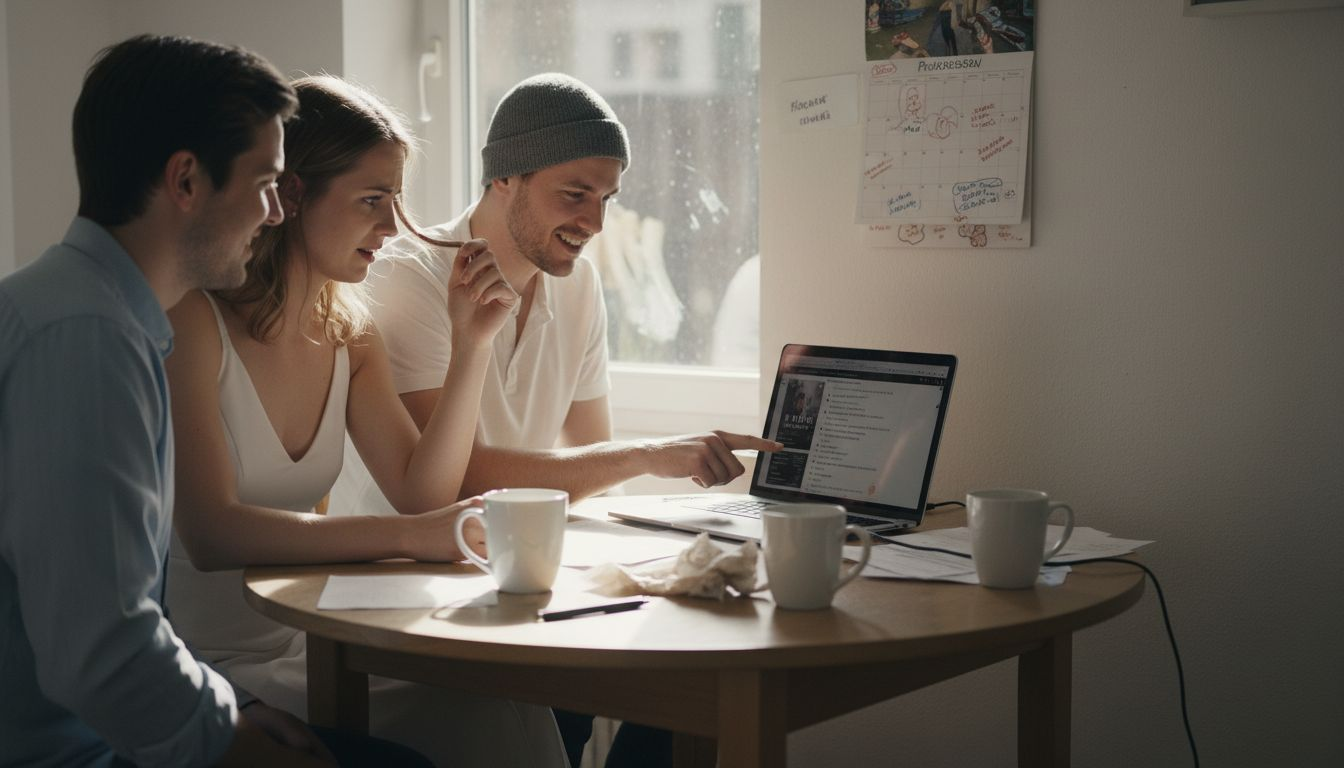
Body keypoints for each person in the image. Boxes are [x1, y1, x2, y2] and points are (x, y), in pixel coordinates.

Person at [0, 35, 427, 767]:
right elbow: (100, 649)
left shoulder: (93, 311)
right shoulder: (88, 339)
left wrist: (228, 706)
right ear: (187, 181)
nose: (272, 214)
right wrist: (229, 737)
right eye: (265, 183)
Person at [333, 72, 781, 768]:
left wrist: (665, 552)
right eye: (575, 194)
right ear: (503, 178)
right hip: (420, 582)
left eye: (607, 199)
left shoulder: (578, 287)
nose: (596, 223)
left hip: (520, 571)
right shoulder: (409, 277)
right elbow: (460, 479)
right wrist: (648, 454)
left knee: (703, 672)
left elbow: (589, 457)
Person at [162, 75, 568, 767]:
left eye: (397, 202)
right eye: (372, 201)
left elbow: (424, 491)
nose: (392, 228)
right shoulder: (194, 321)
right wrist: (411, 537)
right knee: (474, 711)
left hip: (314, 638)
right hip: (209, 668)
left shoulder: (350, 333)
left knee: (500, 695)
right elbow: (210, 534)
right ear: (291, 196)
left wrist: (471, 346)